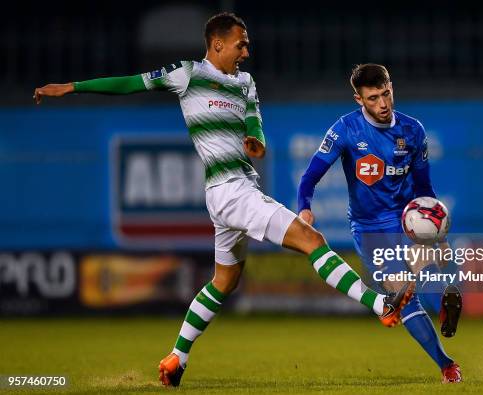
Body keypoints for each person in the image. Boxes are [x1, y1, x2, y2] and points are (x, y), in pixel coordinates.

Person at [33, 14, 413, 387]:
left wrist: (255, 142)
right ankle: (381, 305)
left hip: (234, 190)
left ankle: (175, 358)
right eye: (240, 43)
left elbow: (255, 127)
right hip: (229, 191)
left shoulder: (245, 83)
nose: (246, 51)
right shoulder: (188, 74)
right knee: (311, 241)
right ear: (217, 43)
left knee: (224, 282)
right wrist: (72, 86)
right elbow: (131, 83)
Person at [297, 64, 463, 383]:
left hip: (406, 218)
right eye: (373, 98)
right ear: (358, 99)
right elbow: (310, 177)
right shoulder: (345, 130)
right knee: (403, 294)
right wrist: (304, 209)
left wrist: (434, 227)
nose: (383, 104)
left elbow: (425, 189)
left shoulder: (413, 131)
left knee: (436, 262)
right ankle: (447, 365)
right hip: (369, 228)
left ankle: (447, 295)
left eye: (386, 93)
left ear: (391, 87)